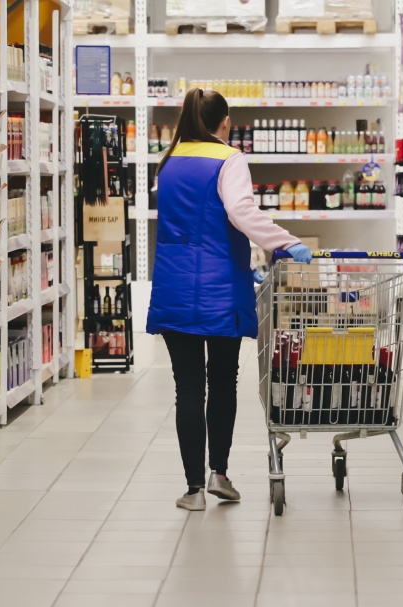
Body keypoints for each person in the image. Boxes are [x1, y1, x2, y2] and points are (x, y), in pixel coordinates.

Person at [147, 88, 312, 511]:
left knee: (188, 387)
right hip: (220, 286)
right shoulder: (229, 158)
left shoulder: (168, 160)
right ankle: (219, 473)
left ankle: (193, 491)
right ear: (224, 123)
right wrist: (285, 241)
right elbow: (240, 212)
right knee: (222, 380)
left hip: (174, 285)